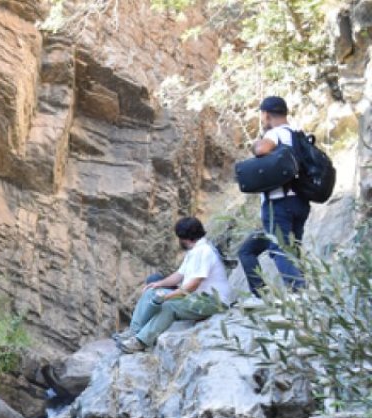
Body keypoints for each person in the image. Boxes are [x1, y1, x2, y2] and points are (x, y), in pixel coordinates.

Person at [115, 217, 230, 353]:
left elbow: (194, 283)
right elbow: (179, 275)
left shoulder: (204, 251)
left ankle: (141, 341)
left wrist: (170, 296)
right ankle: (133, 332)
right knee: (151, 292)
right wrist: (158, 284)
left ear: (183, 238)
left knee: (169, 306)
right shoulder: (195, 251)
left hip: (214, 301)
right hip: (197, 297)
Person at [238, 95, 309, 297]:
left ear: (266, 114)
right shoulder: (299, 135)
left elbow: (261, 149)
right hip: (300, 201)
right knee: (293, 249)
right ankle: (303, 296)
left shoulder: (276, 134)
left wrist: (256, 145)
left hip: (279, 203)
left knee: (280, 250)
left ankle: (299, 295)